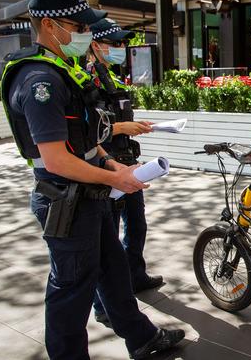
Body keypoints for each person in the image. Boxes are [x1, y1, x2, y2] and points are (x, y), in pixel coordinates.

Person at [0, 0, 183, 358]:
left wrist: (111, 165)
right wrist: (114, 179)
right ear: (49, 27)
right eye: (80, 27)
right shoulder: (40, 81)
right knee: (71, 289)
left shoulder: (62, 70)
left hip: (89, 191)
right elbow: (56, 160)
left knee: (113, 269)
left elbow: (84, 137)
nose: (87, 33)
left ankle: (142, 338)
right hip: (65, 197)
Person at [86, 18, 163, 328]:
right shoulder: (87, 81)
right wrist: (120, 127)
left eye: (123, 43)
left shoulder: (113, 79)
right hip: (107, 168)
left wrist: (134, 126)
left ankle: (136, 276)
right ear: (96, 44)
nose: (121, 48)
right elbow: (84, 131)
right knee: (109, 238)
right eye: (115, 43)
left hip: (129, 163)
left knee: (137, 223)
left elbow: (116, 119)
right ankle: (104, 304)